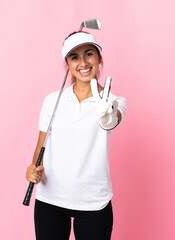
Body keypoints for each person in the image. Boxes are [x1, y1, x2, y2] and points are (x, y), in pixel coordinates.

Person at [25, 31, 127, 240]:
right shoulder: (52, 101)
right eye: (74, 57)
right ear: (68, 64)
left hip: (94, 203)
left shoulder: (114, 101)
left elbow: (113, 119)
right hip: (50, 201)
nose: (83, 62)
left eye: (89, 54)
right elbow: (40, 147)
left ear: (99, 58)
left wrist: (108, 114)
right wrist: (33, 170)